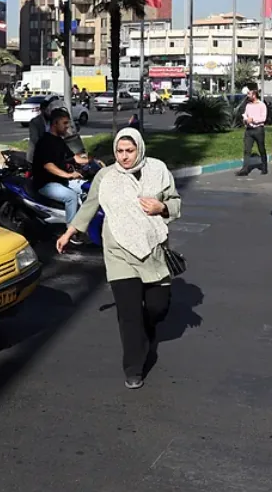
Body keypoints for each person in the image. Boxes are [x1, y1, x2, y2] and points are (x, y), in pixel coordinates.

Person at [56, 128, 181, 390]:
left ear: (139, 149)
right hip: (118, 251)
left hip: (153, 249)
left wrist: (162, 207)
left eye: (130, 151)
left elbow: (174, 201)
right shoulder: (106, 176)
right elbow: (89, 205)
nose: (124, 157)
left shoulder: (158, 170)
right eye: (120, 151)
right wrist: (70, 231)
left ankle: (146, 332)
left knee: (157, 307)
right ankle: (133, 368)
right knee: (129, 313)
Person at [32, 109, 89, 234]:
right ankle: (71, 231)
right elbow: (48, 165)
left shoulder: (59, 141)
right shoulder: (45, 142)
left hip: (61, 181)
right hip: (45, 183)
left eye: (68, 123)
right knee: (71, 197)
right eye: (64, 123)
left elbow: (74, 158)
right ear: (55, 123)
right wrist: (68, 175)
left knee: (88, 188)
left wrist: (92, 161)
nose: (67, 127)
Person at [236, 89, 268, 176]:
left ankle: (264, 167)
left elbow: (263, 118)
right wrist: (245, 120)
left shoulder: (262, 105)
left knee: (261, 148)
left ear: (254, 95)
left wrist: (253, 120)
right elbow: (245, 114)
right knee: (247, 150)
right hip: (249, 130)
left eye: (249, 94)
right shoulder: (248, 105)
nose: (248, 95)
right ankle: (245, 169)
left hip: (258, 129)